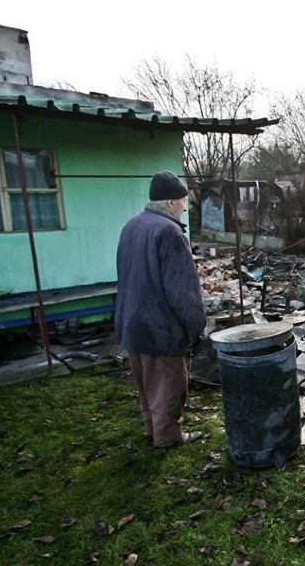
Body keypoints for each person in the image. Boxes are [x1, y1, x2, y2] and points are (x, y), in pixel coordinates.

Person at [115, 171, 206, 450]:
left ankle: (151, 428)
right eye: (182, 202)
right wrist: (195, 327)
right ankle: (167, 437)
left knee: (145, 381)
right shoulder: (170, 232)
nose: (183, 208)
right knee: (168, 383)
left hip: (131, 322)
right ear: (169, 202)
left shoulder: (132, 225)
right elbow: (182, 289)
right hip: (159, 327)